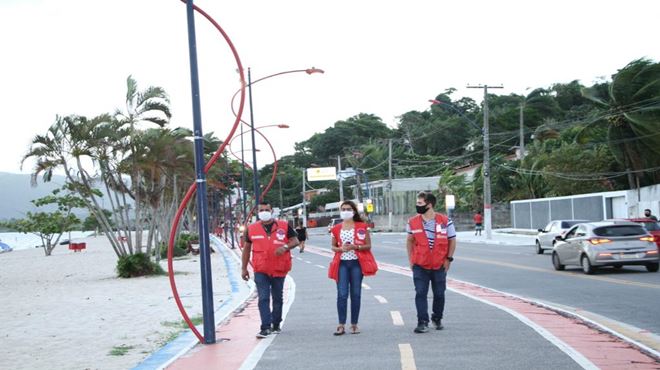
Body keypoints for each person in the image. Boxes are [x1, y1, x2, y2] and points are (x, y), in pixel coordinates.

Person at [241, 201, 299, 338]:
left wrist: (285, 247)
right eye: (261, 210)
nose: (264, 212)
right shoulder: (251, 228)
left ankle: (276, 323)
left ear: (272, 211)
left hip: (279, 268)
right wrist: (244, 268)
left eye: (267, 209)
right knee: (263, 298)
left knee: (277, 297)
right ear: (257, 212)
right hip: (260, 269)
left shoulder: (284, 226)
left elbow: (295, 241)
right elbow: (246, 249)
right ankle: (265, 327)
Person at [406, 191, 456, 333]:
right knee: (420, 293)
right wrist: (411, 259)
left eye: (420, 203)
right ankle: (422, 321)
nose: (417, 205)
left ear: (430, 204)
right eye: (417, 203)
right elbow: (409, 241)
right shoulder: (412, 222)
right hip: (420, 265)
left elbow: (452, 240)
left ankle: (437, 317)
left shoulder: (445, 221)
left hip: (440, 264)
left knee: (439, 293)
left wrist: (449, 259)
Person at [329, 200, 372, 335]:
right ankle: (341, 324)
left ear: (353, 211)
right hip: (341, 263)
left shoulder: (362, 226)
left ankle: (354, 324)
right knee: (342, 294)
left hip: (357, 263)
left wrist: (356, 247)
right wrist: (340, 249)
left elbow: (368, 245)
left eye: (348, 209)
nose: (345, 211)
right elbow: (333, 246)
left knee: (356, 294)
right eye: (343, 209)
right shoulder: (336, 228)